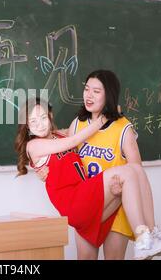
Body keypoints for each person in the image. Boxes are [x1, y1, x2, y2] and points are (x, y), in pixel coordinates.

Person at [14, 97, 161, 260]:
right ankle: (142, 238)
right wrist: (104, 118)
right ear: (27, 127)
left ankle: (152, 232)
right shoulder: (34, 145)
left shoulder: (57, 135)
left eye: (43, 117)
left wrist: (108, 112)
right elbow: (74, 140)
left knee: (136, 170)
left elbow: (75, 131)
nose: (40, 124)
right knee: (127, 172)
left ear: (50, 116)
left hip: (85, 198)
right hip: (73, 202)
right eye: (33, 121)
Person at [37, 70, 140, 259]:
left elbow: (136, 171)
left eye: (96, 91)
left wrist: (121, 189)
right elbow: (59, 149)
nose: (89, 95)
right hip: (87, 202)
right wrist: (43, 169)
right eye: (86, 89)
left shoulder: (123, 128)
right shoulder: (77, 124)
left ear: (108, 95)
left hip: (116, 201)